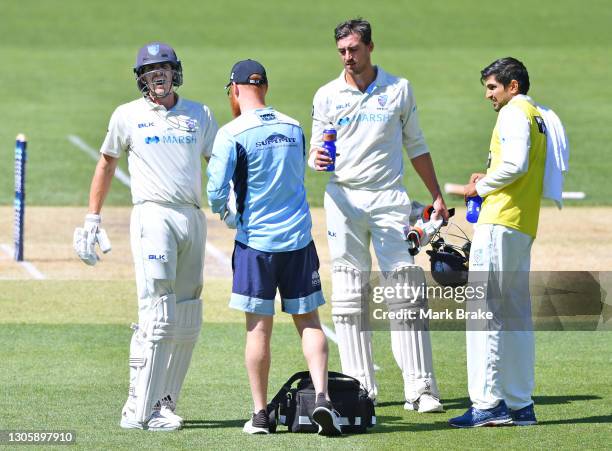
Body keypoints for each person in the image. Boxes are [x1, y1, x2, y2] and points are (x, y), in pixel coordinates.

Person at [73, 42, 218, 431]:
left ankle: (164, 403)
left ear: (176, 73)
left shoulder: (199, 114)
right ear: (141, 78)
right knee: (156, 310)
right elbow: (106, 164)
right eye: (151, 70)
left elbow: (218, 163)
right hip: (152, 214)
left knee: (187, 312)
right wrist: (92, 217)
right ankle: (138, 407)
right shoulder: (127, 115)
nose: (158, 75)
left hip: (192, 215)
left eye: (165, 68)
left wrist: (236, 200)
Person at [309, 18, 449, 413]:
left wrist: (437, 195)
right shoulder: (327, 95)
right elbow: (317, 152)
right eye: (341, 51)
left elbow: (416, 146)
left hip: (388, 199)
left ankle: (421, 389)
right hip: (343, 201)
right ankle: (360, 389)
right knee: (350, 296)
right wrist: (317, 159)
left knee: (405, 292)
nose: (348, 58)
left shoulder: (398, 89)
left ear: (371, 47)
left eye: (354, 49)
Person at [207, 59, 341, 436]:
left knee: (258, 331)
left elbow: (216, 190)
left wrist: (228, 215)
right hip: (298, 241)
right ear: (264, 86)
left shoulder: (232, 133)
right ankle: (322, 398)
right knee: (310, 322)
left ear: (235, 90)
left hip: (256, 245)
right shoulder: (293, 126)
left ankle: (261, 415)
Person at [449, 57, 548, 428]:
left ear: (513, 86)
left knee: (485, 314)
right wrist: (490, 174)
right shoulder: (537, 115)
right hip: (522, 223)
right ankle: (521, 404)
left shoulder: (512, 113)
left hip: (500, 221)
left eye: (493, 87)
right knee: (517, 315)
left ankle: (489, 405)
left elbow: (516, 164)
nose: (488, 95)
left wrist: (481, 185)